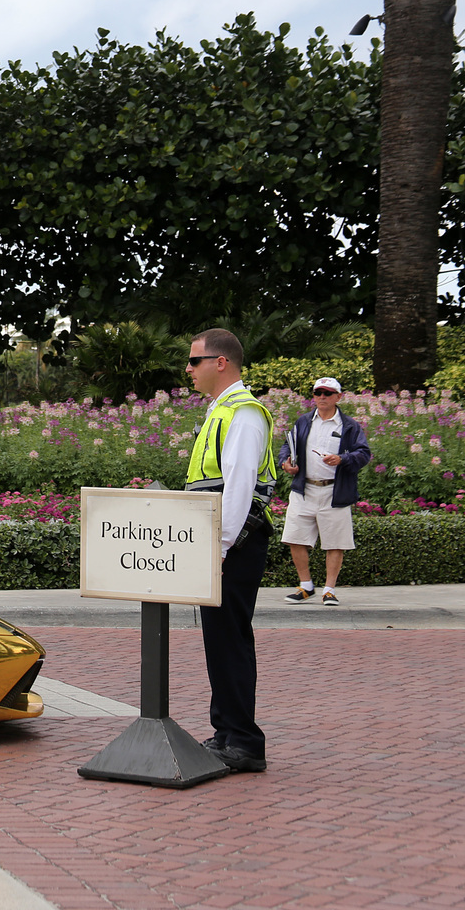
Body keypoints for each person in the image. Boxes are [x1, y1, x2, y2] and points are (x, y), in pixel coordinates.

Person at [184, 328, 277, 774]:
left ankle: (243, 741)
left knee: (230, 640)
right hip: (223, 543)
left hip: (233, 544)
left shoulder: (243, 413)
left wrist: (219, 548)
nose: (188, 370)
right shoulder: (223, 411)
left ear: (220, 362)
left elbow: (239, 489)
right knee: (220, 641)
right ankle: (226, 732)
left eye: (194, 361)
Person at [279, 376, 371, 606]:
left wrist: (342, 459)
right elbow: (286, 445)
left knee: (335, 543)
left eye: (327, 393)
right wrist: (285, 462)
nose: (321, 397)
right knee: (295, 538)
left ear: (338, 397)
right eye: (317, 393)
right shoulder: (303, 421)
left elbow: (364, 454)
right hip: (304, 489)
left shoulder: (349, 426)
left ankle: (329, 590)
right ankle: (306, 585)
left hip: (335, 492)